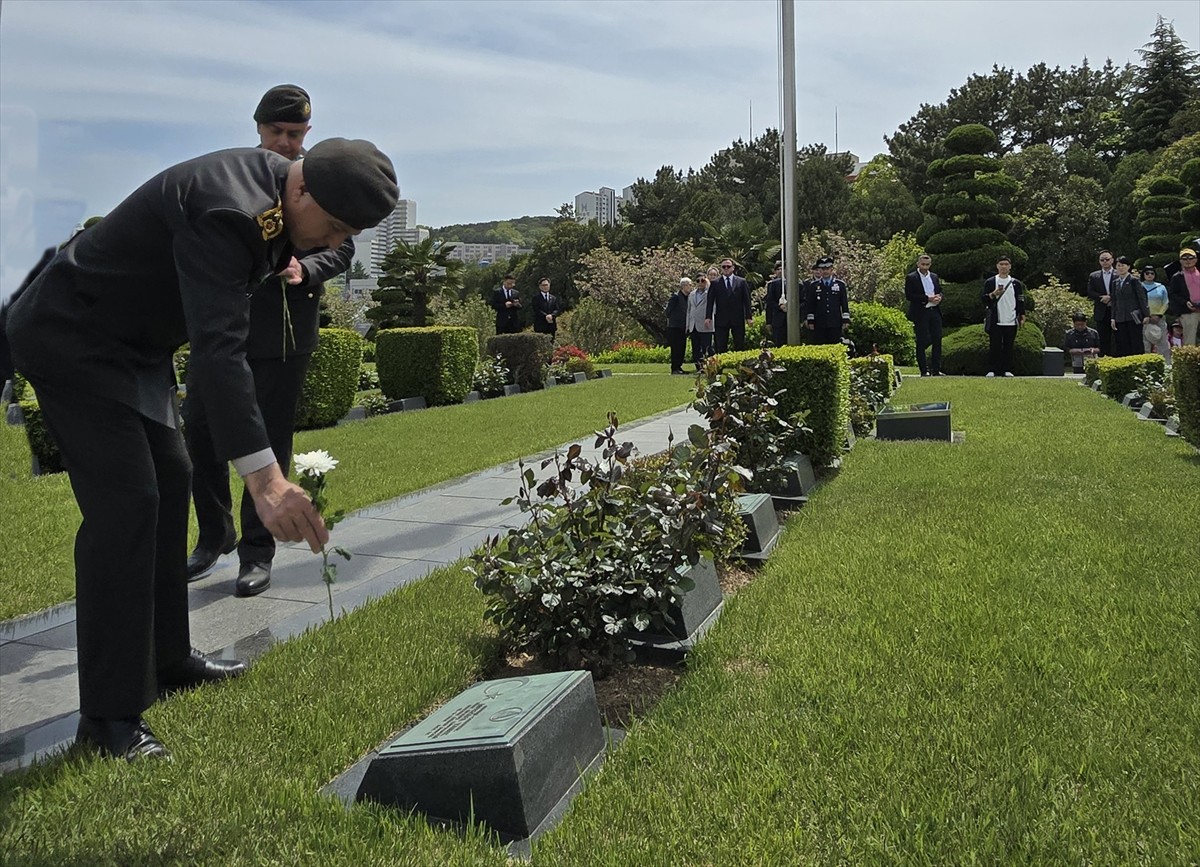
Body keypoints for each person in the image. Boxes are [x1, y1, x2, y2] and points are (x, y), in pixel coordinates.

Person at [4, 138, 399, 761]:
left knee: (171, 478)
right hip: (71, 335)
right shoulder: (229, 210)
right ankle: (107, 723)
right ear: (301, 192)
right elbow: (220, 352)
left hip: (133, 345)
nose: (331, 244)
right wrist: (267, 483)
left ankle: (165, 660)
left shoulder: (281, 195)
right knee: (127, 506)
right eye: (335, 228)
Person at [184, 85, 355, 599]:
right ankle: (214, 535)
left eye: (296, 134)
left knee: (272, 441)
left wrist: (308, 266)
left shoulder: (319, 184)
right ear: (258, 128)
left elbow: (341, 248)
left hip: (283, 333)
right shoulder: (239, 181)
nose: (285, 142)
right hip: (221, 333)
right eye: (276, 132)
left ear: (308, 134)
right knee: (200, 434)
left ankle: (257, 553)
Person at [982, 256, 1026, 377]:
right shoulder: (990, 282)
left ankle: (1006, 369)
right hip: (996, 319)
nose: (1003, 267)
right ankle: (992, 369)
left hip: (1011, 319)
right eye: (1001, 264)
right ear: (997, 266)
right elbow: (983, 299)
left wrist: (1022, 314)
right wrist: (993, 294)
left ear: (1010, 267)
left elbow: (1020, 300)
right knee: (994, 345)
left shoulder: (1016, 283)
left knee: (1008, 346)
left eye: (1006, 264)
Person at [904, 254, 944, 376]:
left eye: (927, 265)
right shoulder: (912, 277)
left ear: (930, 265)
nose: (925, 267)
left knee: (937, 340)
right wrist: (927, 298)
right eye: (923, 264)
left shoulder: (934, 276)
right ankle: (924, 370)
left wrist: (939, 297)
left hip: (934, 311)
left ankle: (936, 370)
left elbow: (940, 290)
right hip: (921, 312)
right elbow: (909, 295)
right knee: (921, 341)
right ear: (918, 264)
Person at [705, 258, 752, 352]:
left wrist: (749, 317)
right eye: (724, 267)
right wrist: (708, 317)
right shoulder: (715, 283)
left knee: (739, 344)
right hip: (721, 319)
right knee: (721, 345)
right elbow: (710, 301)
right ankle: (722, 365)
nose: (726, 268)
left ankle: (739, 365)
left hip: (737, 318)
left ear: (733, 268)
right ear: (721, 268)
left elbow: (747, 300)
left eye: (728, 266)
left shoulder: (741, 282)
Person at [802, 256, 850, 345]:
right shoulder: (814, 286)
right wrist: (811, 321)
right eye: (823, 269)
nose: (825, 271)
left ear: (832, 269)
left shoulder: (840, 285)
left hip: (835, 322)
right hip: (819, 323)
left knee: (835, 345)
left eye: (827, 268)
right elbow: (810, 305)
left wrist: (846, 321)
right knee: (820, 346)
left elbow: (844, 304)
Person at [1109, 256, 1148, 357]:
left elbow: (1141, 298)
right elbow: (1114, 301)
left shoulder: (1134, 280)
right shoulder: (1115, 282)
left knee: (1136, 342)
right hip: (1120, 317)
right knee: (1122, 342)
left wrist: (1146, 314)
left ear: (1128, 267)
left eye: (1123, 265)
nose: (1120, 268)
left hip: (1133, 316)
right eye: (1118, 266)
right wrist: (1113, 317)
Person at [1167, 247, 1200, 346]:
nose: (1188, 261)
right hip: (1188, 311)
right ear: (1180, 261)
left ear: (1196, 259)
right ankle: (1190, 360)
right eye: (1184, 258)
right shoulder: (1177, 277)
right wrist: (1185, 302)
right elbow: (1173, 294)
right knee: (1190, 338)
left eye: (1190, 258)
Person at [1086, 251, 1116, 356]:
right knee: (1103, 338)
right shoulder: (1094, 276)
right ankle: (1104, 359)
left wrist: (1111, 297)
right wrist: (1101, 297)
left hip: (1116, 310)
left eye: (1107, 259)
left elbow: (1122, 292)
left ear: (1112, 260)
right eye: (1102, 260)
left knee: (1118, 337)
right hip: (1101, 310)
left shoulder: (1118, 274)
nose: (1105, 262)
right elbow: (1090, 292)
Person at [1140, 264, 1169, 358]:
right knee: (1145, 343)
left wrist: (1159, 315)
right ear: (1143, 274)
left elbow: (1166, 302)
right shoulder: (1139, 286)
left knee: (1163, 342)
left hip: (1159, 318)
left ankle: (1166, 365)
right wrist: (1147, 315)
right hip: (1144, 319)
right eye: (1147, 273)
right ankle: (1145, 366)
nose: (1149, 275)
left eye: (1152, 273)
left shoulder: (1161, 287)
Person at [687, 273, 714, 368]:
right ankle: (699, 367)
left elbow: (713, 302)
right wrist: (688, 326)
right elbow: (689, 310)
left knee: (707, 348)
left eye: (702, 280)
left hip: (705, 324)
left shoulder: (710, 293)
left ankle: (709, 367)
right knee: (696, 349)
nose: (700, 283)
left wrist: (708, 283)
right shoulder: (692, 294)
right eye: (698, 281)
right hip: (693, 325)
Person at [665, 278, 691, 374]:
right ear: (684, 286)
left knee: (682, 348)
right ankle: (674, 368)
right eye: (689, 285)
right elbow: (668, 311)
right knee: (676, 348)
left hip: (683, 327)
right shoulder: (675, 297)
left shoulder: (687, 297)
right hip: (674, 327)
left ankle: (679, 367)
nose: (690, 287)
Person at [763, 261, 788, 347]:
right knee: (779, 344)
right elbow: (769, 303)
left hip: (792, 320)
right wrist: (768, 322)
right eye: (778, 269)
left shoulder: (797, 283)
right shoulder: (772, 285)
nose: (780, 271)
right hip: (778, 321)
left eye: (782, 269)